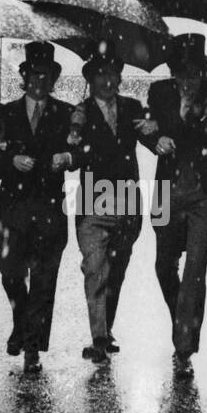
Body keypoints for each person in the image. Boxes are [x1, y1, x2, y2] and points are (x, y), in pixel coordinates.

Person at [145, 32, 207, 378]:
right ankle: (184, 320)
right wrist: (157, 139)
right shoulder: (159, 93)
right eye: (181, 74)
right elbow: (149, 128)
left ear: (204, 72)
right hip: (167, 193)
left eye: (194, 73)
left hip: (203, 198)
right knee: (164, 267)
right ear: (173, 74)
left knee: (195, 268)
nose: (188, 81)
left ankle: (183, 345)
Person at [0, 41, 77, 374]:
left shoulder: (67, 113)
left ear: (54, 78)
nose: (41, 81)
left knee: (43, 281)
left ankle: (32, 348)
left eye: (47, 75)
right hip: (14, 211)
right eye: (35, 74)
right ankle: (21, 322)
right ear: (25, 76)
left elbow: (83, 150)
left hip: (51, 211)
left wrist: (67, 158)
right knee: (11, 274)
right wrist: (11, 159)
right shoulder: (4, 114)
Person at [69, 48, 156, 364]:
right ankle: (99, 338)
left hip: (128, 204)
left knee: (116, 272)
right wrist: (71, 146)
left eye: (112, 75)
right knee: (95, 269)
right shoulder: (80, 112)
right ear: (90, 80)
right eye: (100, 75)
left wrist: (154, 133)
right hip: (93, 204)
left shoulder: (132, 107)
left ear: (120, 78)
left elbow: (149, 135)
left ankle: (106, 329)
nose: (107, 81)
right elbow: (73, 148)